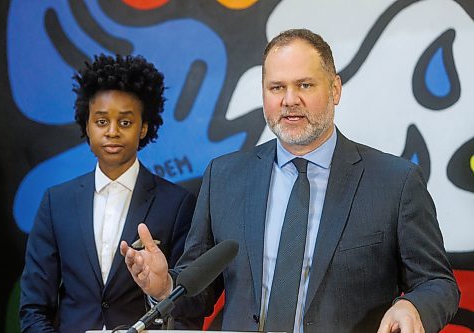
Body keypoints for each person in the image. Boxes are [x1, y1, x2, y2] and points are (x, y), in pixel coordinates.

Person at [120, 29, 460, 333]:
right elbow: (199, 292)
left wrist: (412, 305)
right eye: (276, 87)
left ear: (336, 89)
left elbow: (437, 283)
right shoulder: (224, 176)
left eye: (305, 85)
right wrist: (165, 286)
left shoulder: (395, 182)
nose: (289, 99)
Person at [19, 54, 202, 332]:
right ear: (87, 126)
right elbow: (34, 308)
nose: (112, 132)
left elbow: (189, 307)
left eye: (125, 122)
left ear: (143, 127)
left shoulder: (177, 205)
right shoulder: (56, 203)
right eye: (102, 121)